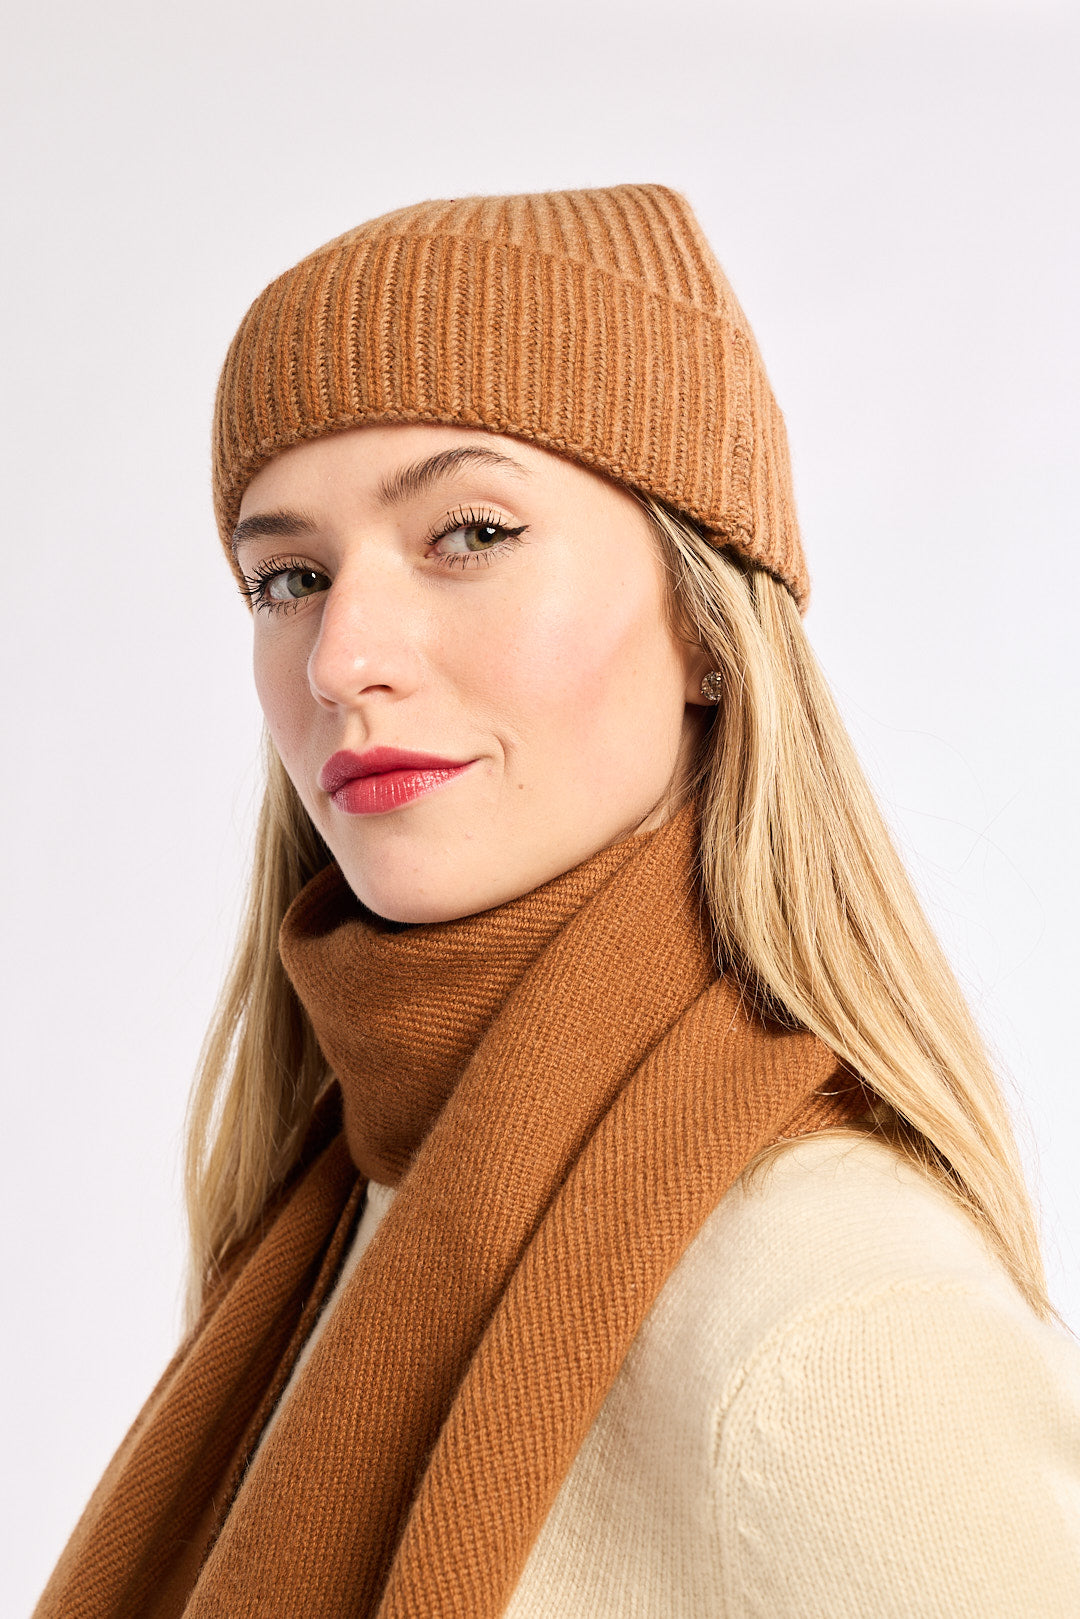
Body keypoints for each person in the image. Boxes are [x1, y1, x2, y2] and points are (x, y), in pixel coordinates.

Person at [34, 184, 1080, 1619]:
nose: (342, 656)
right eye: (289, 574)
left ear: (707, 617)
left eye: (467, 533)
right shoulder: (330, 1212)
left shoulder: (836, 1321)